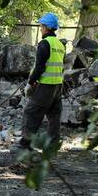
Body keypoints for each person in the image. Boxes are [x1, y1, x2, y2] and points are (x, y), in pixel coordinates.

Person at [17, 12, 66, 150]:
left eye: (41, 25)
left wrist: (31, 82)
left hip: (46, 85)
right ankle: (53, 143)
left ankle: (26, 143)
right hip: (57, 85)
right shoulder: (60, 45)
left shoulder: (45, 44)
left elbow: (39, 67)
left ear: (46, 27)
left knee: (31, 112)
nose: (40, 28)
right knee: (54, 114)